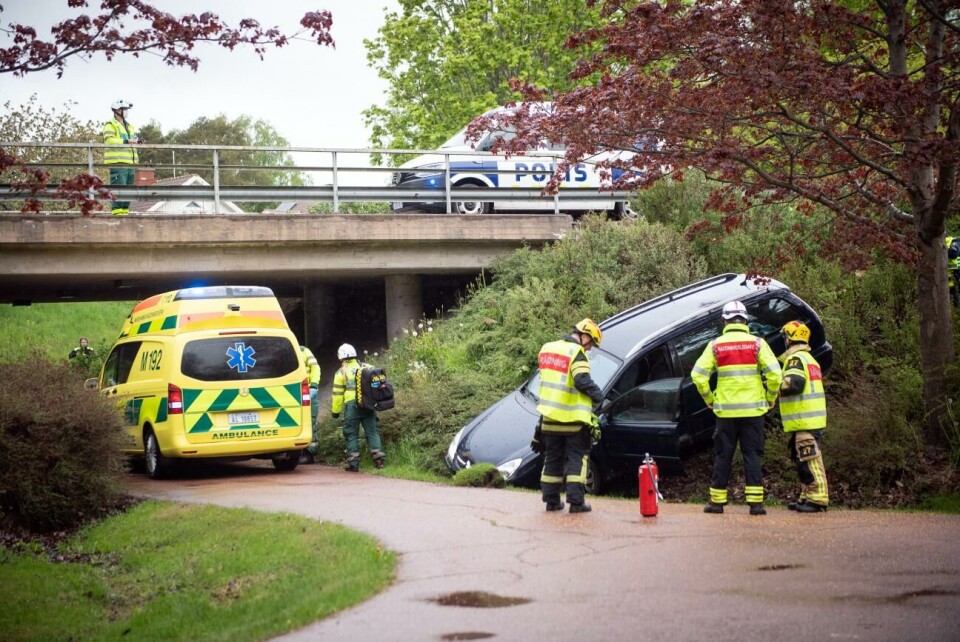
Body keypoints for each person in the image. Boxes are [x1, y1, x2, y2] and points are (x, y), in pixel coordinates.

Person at [692, 300, 782, 516]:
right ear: (745, 320)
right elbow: (775, 375)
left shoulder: (715, 345)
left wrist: (709, 398)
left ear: (724, 321)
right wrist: (770, 398)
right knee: (752, 455)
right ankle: (756, 505)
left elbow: (698, 375)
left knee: (723, 455)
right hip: (754, 412)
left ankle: (717, 502)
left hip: (726, 412)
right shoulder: (758, 344)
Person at [533, 318, 605, 514]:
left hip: (549, 419)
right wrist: (600, 397)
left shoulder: (547, 348)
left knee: (553, 459)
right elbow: (582, 380)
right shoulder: (577, 353)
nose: (589, 349)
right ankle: (576, 502)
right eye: (591, 344)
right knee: (577, 459)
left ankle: (551, 501)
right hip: (572, 420)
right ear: (584, 337)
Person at [778, 321, 829, 513]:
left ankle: (818, 499)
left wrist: (774, 384)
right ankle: (807, 496)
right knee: (803, 460)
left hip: (804, 420)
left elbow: (794, 384)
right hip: (807, 420)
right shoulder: (810, 359)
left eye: (785, 336)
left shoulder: (796, 360)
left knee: (810, 460)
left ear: (789, 338)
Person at [331, 343, 385, 472]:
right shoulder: (367, 367)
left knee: (351, 434)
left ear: (341, 357)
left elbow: (337, 395)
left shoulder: (341, 373)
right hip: (368, 404)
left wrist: (335, 412)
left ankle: (353, 463)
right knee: (372, 432)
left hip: (352, 406)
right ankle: (379, 460)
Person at [102, 99, 141, 216]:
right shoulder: (110, 125)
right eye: (125, 109)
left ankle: (124, 213)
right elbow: (109, 140)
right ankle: (117, 214)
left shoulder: (129, 126)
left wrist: (138, 141)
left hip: (130, 162)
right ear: (117, 110)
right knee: (119, 189)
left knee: (129, 191)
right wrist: (125, 141)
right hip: (118, 162)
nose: (126, 112)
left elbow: (131, 141)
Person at [299, 345, 321, 464]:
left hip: (307, 392)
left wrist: (313, 385)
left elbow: (315, 367)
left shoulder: (303, 351)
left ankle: (309, 453)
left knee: (310, 422)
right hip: (293, 393)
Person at [947, 235, 960, 305]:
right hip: (944, 274)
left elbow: (953, 254)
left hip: (955, 272)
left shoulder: (954, 241)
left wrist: (942, 251)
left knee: (955, 295)